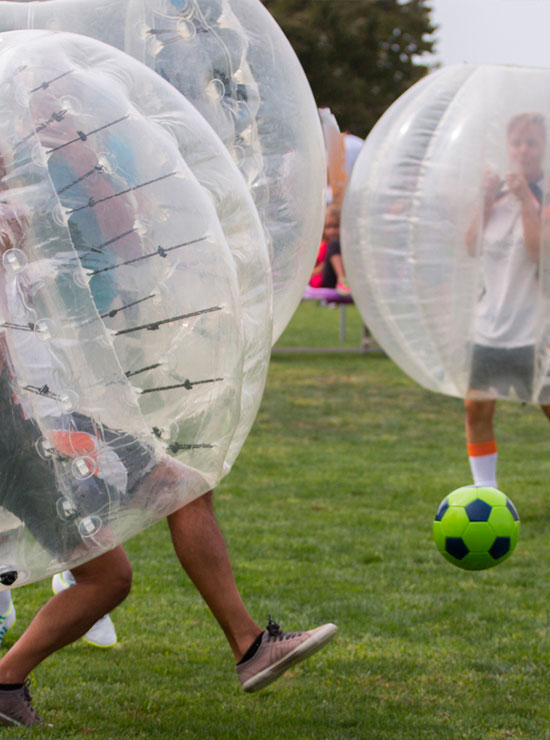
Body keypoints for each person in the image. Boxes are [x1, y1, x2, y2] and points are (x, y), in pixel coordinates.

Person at [0, 158, 337, 727]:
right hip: (23, 427)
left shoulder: (14, 212)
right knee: (109, 576)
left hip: (43, 411)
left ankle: (250, 647)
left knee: (176, 490)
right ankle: (6, 680)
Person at [464, 112, 550, 488]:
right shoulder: (496, 196)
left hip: (535, 328)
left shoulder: (544, 195)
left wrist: (526, 200)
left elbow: (539, 255)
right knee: (475, 408)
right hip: (490, 325)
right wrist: (484, 199)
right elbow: (470, 246)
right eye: (517, 142)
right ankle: (487, 493)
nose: (523, 150)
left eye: (531, 142)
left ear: (543, 148)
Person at [310, 205, 350, 296]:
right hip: (326, 280)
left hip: (346, 278)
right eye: (328, 227)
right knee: (334, 243)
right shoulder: (323, 246)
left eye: (336, 227)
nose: (332, 231)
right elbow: (315, 270)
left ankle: (344, 281)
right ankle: (342, 280)